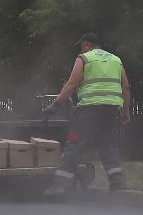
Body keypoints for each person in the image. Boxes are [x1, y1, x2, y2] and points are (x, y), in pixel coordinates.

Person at [45, 32, 130, 193]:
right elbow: (125, 87)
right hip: (110, 109)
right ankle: (118, 182)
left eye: (82, 46)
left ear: (87, 45)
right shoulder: (116, 60)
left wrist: (55, 105)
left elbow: (72, 84)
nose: (81, 50)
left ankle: (60, 185)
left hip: (88, 110)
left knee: (75, 143)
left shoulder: (84, 58)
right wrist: (125, 111)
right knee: (108, 144)